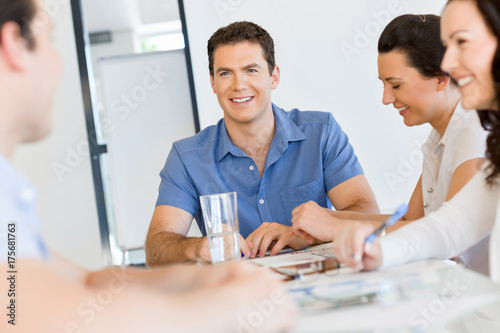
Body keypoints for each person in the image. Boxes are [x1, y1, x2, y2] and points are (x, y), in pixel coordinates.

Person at [0, 0, 296, 332]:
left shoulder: (8, 192)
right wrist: (225, 307)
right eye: (50, 42)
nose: (57, 63)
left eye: (251, 70)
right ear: (14, 45)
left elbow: (87, 281)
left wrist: (193, 281)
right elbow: (18, 313)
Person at [145, 21, 379, 265]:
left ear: (273, 77)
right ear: (213, 83)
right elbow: (156, 250)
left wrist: (305, 236)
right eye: (225, 73)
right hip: (240, 295)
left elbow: (369, 216)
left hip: (324, 287)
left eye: (251, 70)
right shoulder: (186, 158)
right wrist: (198, 247)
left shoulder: (321, 132)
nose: (239, 85)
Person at [316, 0, 500, 283]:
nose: (448, 63)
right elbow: (448, 229)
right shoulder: (479, 149)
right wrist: (379, 250)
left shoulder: (472, 131)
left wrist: (335, 226)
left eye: (462, 41)